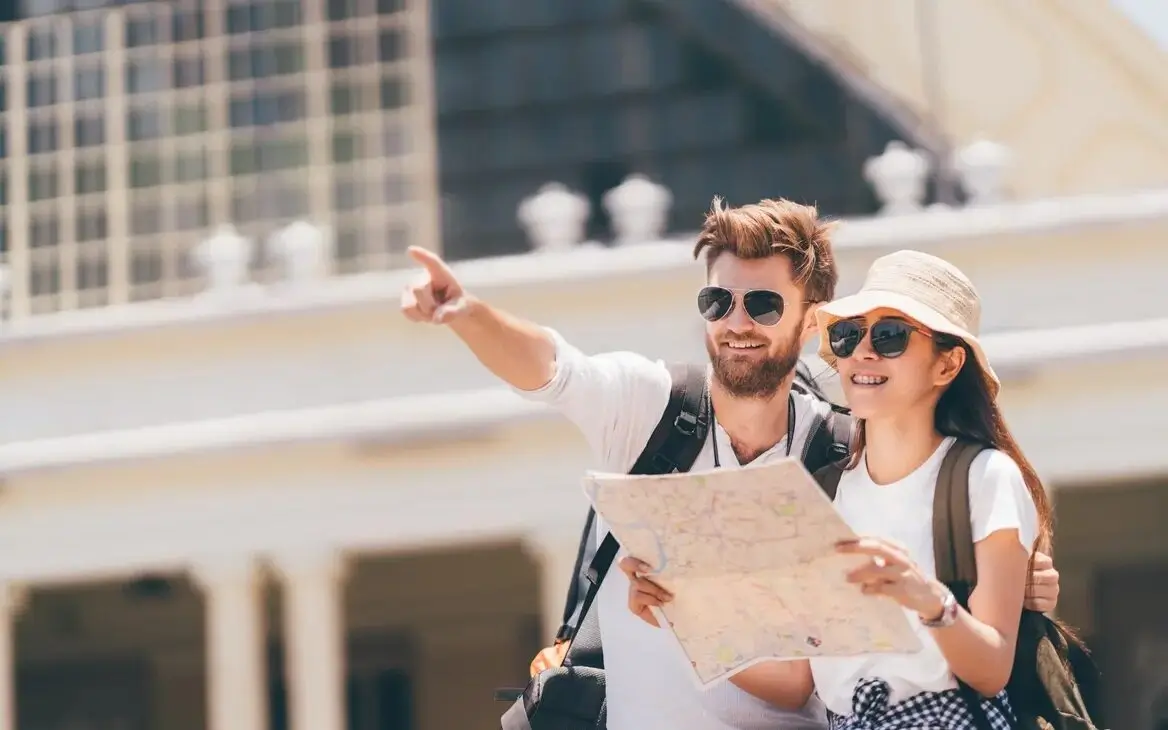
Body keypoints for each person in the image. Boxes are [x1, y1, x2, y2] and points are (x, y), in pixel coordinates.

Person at [400, 199, 1060, 730]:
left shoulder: (839, 454)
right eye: (718, 303)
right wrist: (468, 314)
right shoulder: (650, 407)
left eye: (763, 304)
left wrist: (1016, 580)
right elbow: (552, 367)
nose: (735, 321)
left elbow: (926, 562)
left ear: (809, 326)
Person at [629, 249, 1052, 728]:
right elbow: (796, 682)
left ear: (948, 365)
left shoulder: (985, 476)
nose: (863, 353)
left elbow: (992, 670)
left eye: (891, 336)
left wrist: (929, 602)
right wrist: (678, 615)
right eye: (848, 336)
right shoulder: (824, 492)